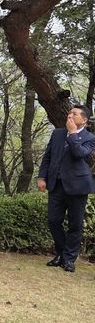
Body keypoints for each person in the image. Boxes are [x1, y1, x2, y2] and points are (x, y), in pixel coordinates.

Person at [37, 103, 95, 272]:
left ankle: (69, 259)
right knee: (53, 221)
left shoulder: (90, 138)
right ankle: (62, 253)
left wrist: (72, 133)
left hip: (78, 187)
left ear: (84, 120)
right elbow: (47, 156)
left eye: (75, 114)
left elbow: (79, 153)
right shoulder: (57, 134)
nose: (70, 116)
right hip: (56, 185)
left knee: (74, 225)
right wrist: (42, 177)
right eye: (69, 113)